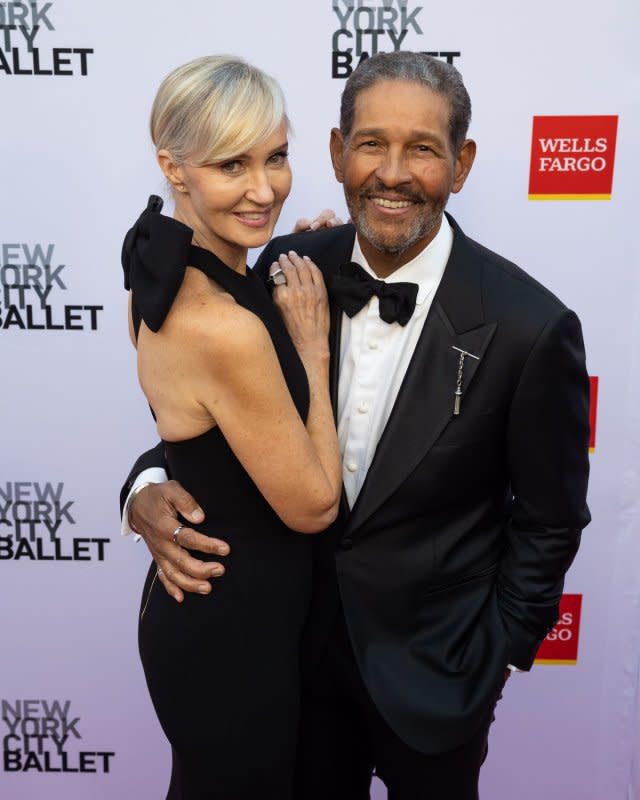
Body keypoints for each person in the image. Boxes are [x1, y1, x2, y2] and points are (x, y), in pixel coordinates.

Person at [122, 52, 591, 799]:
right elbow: (219, 427)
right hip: (288, 669)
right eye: (371, 144)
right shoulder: (286, 266)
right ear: (338, 154)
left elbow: (551, 519)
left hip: (435, 682)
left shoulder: (531, 327)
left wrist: (491, 658)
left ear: (461, 164)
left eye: (423, 149)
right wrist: (145, 487)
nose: (393, 173)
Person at [122, 55, 343, 800]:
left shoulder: (166, 275)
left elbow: (198, 442)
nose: (264, 187)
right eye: (231, 165)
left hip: (218, 613)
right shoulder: (221, 326)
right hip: (234, 632)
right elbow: (312, 506)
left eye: (276, 156)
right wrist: (309, 347)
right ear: (173, 168)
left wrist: (143, 487)